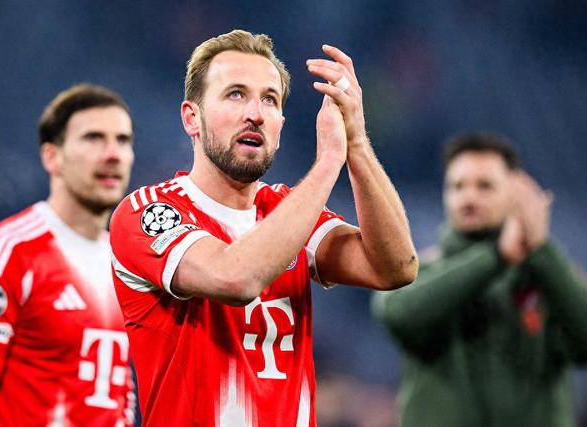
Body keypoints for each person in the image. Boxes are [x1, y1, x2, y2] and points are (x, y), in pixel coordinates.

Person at [109, 29, 418, 426]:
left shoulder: (289, 208)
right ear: (192, 118)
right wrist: (328, 163)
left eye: (269, 99)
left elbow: (395, 268)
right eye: (235, 94)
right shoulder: (148, 212)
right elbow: (234, 278)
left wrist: (356, 143)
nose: (255, 113)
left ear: (280, 124)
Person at [0, 84, 136, 427]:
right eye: (93, 138)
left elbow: (120, 391)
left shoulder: (127, 263)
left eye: (122, 140)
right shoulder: (7, 252)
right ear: (52, 156)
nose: (113, 154)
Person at [374, 132, 587, 427]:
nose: (469, 197)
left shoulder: (550, 278)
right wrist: (497, 256)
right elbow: (398, 315)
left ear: (515, 194)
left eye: (484, 186)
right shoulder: (423, 269)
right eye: (457, 186)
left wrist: (541, 250)